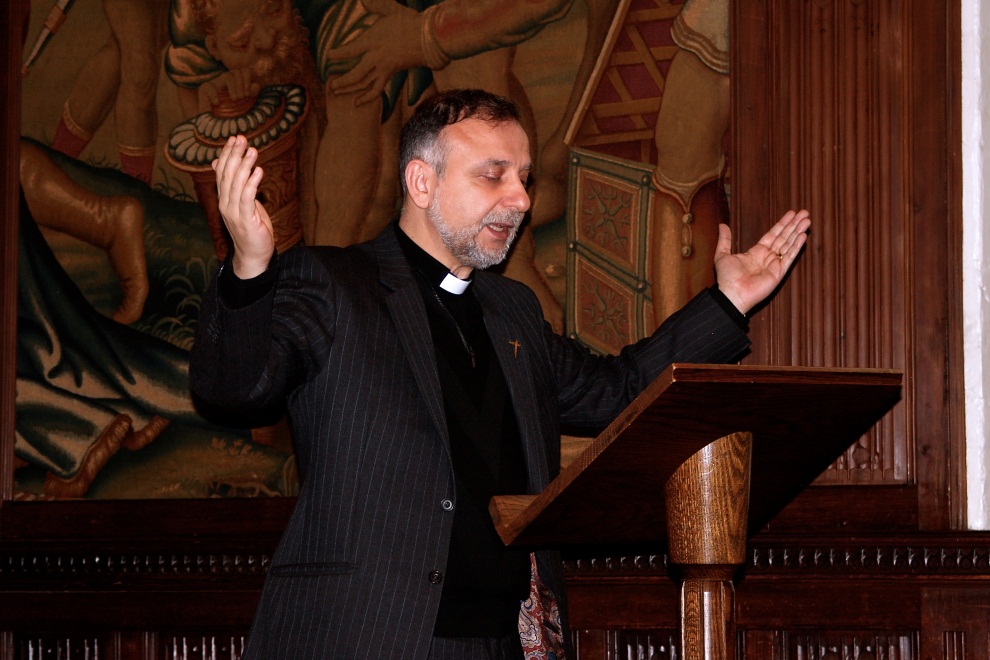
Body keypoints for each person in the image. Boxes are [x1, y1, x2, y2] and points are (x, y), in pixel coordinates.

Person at [189, 89, 810, 659]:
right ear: (421, 181)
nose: (520, 199)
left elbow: (616, 391)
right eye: (494, 176)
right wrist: (250, 273)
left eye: (524, 180)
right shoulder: (333, 283)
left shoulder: (511, 310)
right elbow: (232, 391)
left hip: (502, 642)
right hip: (365, 633)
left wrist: (727, 304)